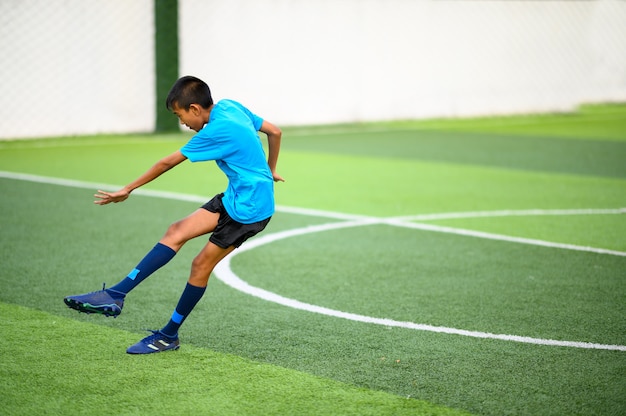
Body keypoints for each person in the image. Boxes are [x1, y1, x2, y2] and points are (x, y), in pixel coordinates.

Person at [64, 75, 284, 354]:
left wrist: (128, 188)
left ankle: (169, 336)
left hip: (250, 211)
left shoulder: (215, 130)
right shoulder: (230, 106)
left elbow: (168, 162)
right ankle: (115, 295)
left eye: (181, 117)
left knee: (200, 266)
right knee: (176, 231)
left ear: (194, 109)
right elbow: (275, 132)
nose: (183, 124)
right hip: (236, 197)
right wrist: (270, 169)